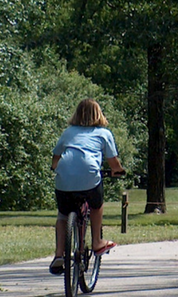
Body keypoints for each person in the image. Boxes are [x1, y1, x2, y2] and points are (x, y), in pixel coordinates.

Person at [49, 98, 125, 275]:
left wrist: (55, 168)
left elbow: (56, 157)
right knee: (96, 205)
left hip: (64, 176)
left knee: (62, 215)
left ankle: (59, 254)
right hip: (89, 175)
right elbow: (113, 162)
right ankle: (97, 241)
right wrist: (118, 171)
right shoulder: (103, 133)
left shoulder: (68, 132)